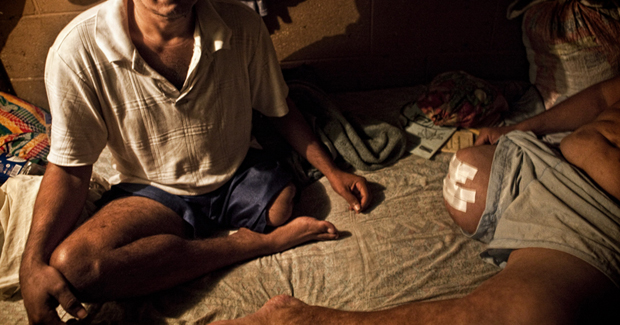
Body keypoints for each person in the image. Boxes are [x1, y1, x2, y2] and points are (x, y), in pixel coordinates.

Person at [18, 0, 370, 323]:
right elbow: (70, 166)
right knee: (76, 266)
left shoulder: (241, 25)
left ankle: (206, 241)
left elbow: (279, 107)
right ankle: (254, 244)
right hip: (153, 190)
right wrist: (33, 262)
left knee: (282, 205)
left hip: (233, 173)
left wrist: (332, 170)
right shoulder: (77, 52)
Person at [212, 76, 620, 325]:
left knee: (525, 314)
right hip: (550, 161)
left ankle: (297, 321)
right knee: (466, 167)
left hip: (591, 208)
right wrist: (520, 129)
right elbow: (603, 98)